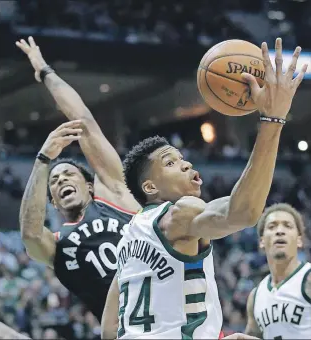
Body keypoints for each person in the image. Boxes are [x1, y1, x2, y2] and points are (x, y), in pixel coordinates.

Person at [101, 38, 308, 339]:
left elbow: (109, 330)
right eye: (170, 163)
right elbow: (243, 211)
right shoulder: (179, 213)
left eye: (183, 158)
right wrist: (272, 120)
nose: (185, 164)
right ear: (150, 186)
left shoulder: (128, 239)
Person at [17, 37, 140, 323]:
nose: (60, 180)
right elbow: (30, 234)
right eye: (54, 182)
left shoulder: (117, 196)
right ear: (54, 204)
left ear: (89, 185)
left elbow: (83, 121)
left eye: (68, 174)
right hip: (126, 330)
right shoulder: (56, 245)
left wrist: (45, 71)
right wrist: (43, 160)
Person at [245, 203, 311, 339]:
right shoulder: (255, 296)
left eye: (287, 226)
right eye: (272, 226)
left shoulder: (308, 277)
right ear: (262, 241)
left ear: (299, 241)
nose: (280, 231)